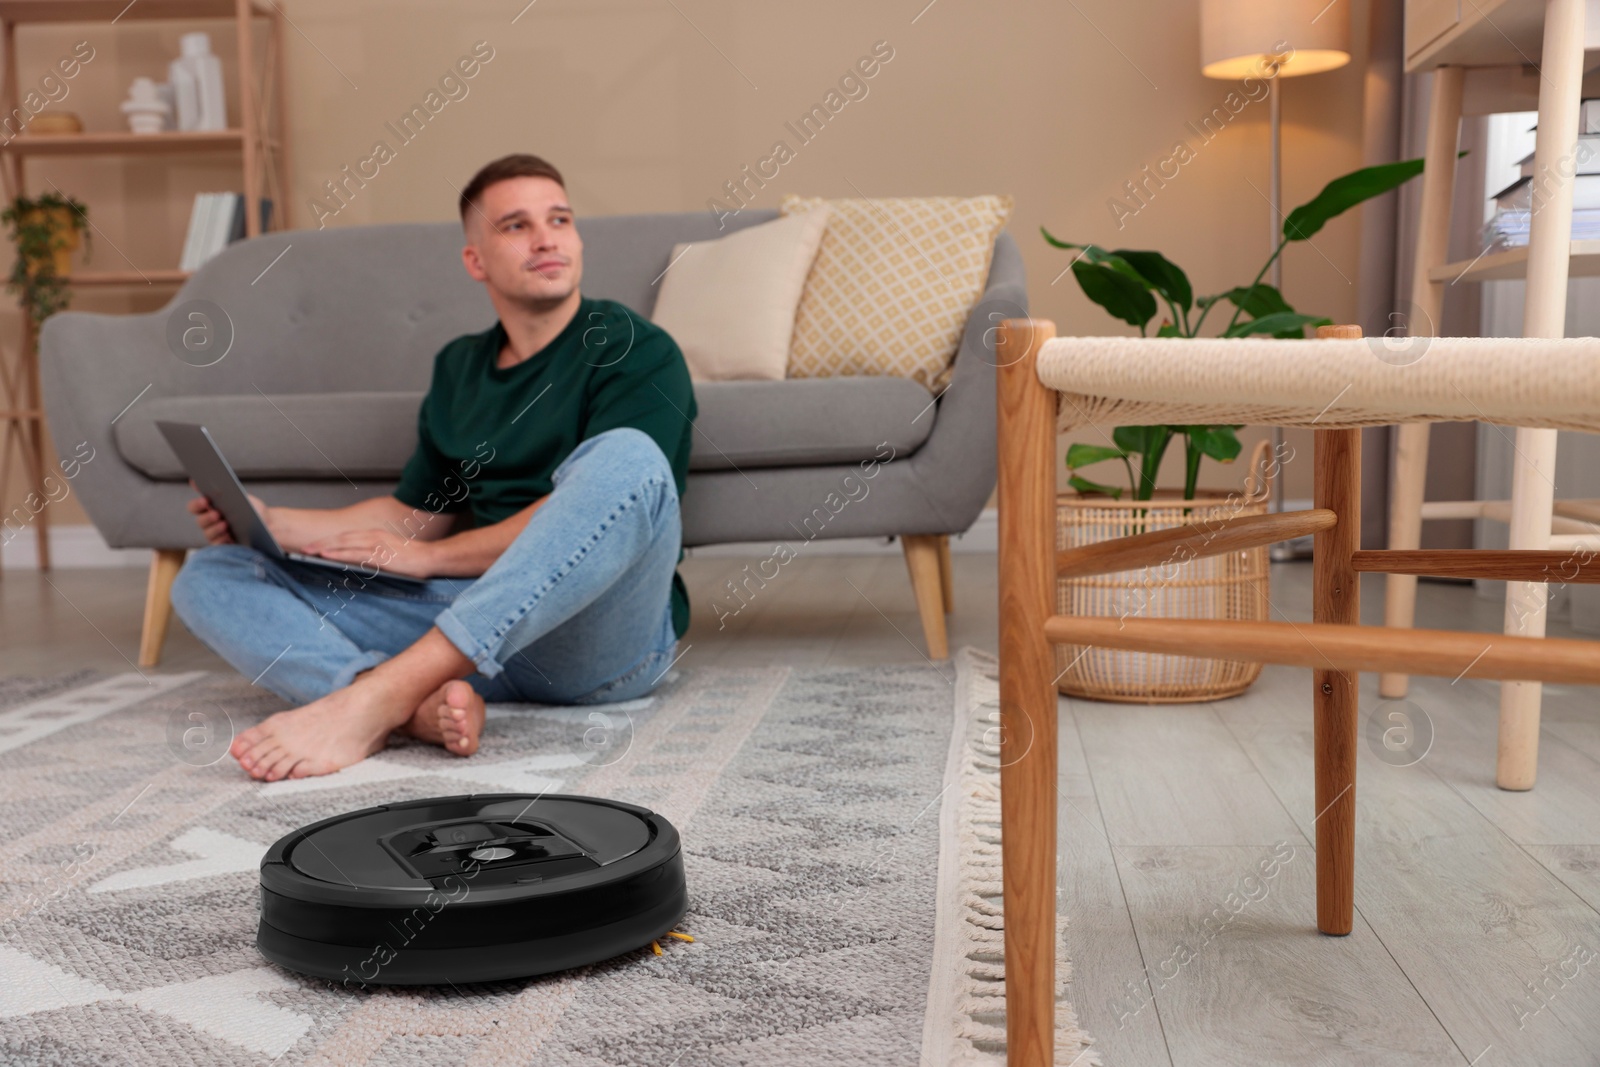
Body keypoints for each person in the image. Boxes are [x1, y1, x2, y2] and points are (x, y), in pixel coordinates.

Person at [170, 153, 695, 782]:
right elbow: (415, 517)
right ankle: (413, 709)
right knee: (209, 574)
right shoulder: (459, 367)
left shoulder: (634, 346)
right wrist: (273, 522)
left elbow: (619, 503)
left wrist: (431, 558)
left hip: (596, 637)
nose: (547, 237)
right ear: (475, 259)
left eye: (559, 219)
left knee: (629, 455)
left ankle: (377, 696)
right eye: (516, 226)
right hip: (475, 626)